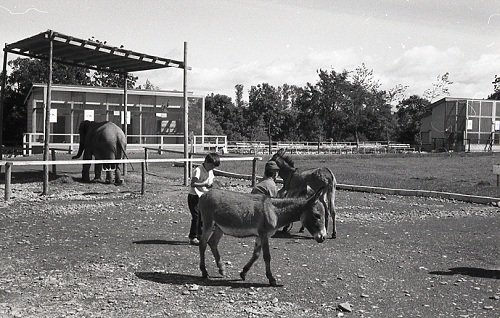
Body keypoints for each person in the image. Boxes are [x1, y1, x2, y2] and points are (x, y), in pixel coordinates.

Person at [187, 152, 221, 245]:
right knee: (196, 217)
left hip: (204, 196)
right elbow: (193, 184)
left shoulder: (210, 171)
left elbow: (211, 182)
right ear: (206, 162)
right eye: (212, 166)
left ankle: (201, 236)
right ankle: (192, 237)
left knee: (203, 217)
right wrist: (205, 184)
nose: (212, 168)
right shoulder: (198, 170)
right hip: (194, 196)